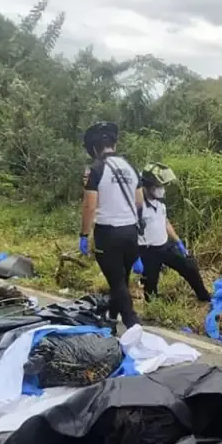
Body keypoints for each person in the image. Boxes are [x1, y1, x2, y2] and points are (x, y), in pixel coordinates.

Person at [79, 121, 142, 327]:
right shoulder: (130, 166)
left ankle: (133, 324)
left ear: (94, 148)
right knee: (121, 280)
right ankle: (112, 318)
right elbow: (139, 202)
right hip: (131, 232)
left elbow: (89, 206)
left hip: (108, 234)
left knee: (117, 283)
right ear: (114, 143)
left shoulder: (96, 169)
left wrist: (84, 234)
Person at [136, 162, 211, 303]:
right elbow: (130, 231)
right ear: (147, 186)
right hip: (147, 251)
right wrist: (135, 257)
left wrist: (178, 241)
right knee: (150, 288)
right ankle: (154, 309)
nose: (161, 189)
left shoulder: (160, 203)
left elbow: (165, 222)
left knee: (189, 266)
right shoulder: (138, 206)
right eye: (157, 186)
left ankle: (204, 297)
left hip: (164, 246)